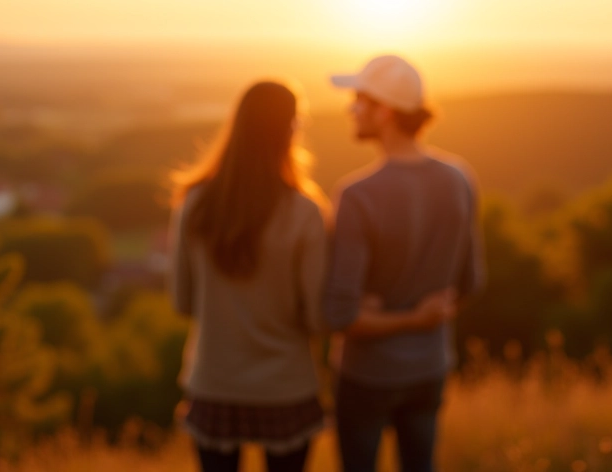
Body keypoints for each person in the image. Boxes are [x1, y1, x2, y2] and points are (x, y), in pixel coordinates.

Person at [323, 55, 486, 472]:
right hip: (430, 368)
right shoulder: (459, 178)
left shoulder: (357, 196)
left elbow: (341, 314)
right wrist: (424, 315)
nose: (350, 109)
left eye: (358, 100)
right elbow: (469, 283)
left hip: (366, 376)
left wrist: (399, 317)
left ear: (385, 112)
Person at [168, 80, 328, 472]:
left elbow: (182, 303)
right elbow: (317, 318)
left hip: (214, 381)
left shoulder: (195, 204)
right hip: (286, 385)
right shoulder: (305, 213)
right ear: (291, 131)